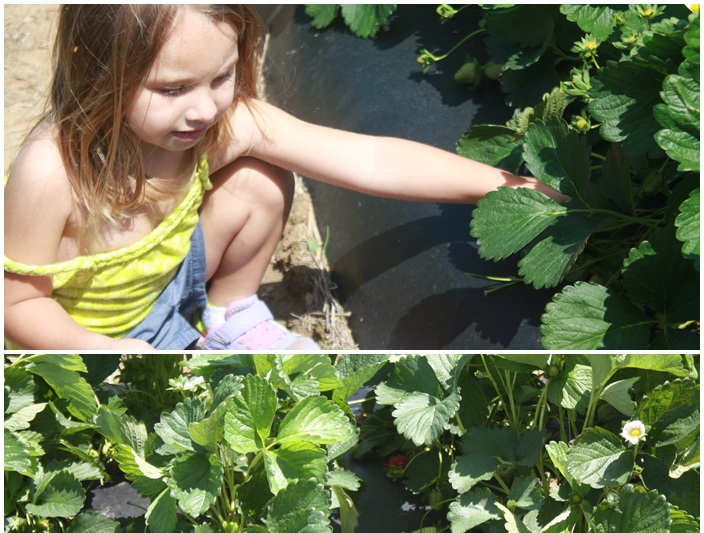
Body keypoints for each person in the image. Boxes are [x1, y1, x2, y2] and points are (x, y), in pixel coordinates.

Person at [4, 5, 563, 351]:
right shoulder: (53, 173)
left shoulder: (225, 125)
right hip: (83, 334)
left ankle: (229, 314)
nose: (203, 109)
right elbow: (19, 308)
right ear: (97, 67)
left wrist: (511, 189)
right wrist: (91, 349)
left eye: (222, 75)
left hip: (172, 281)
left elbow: (369, 159)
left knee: (262, 180)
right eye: (172, 89)